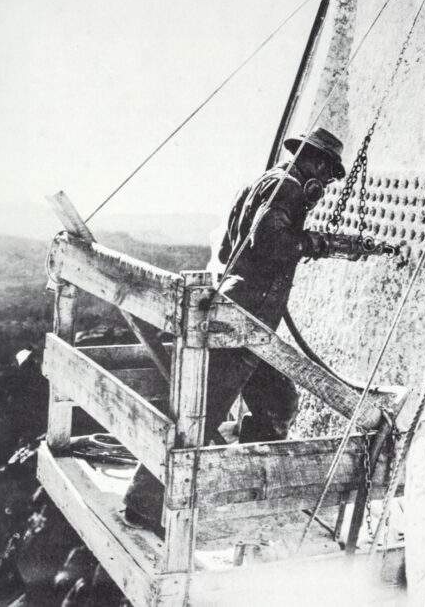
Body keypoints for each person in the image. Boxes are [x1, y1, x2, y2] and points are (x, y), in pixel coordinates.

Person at [123, 127, 398, 532]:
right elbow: (269, 244)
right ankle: (144, 503)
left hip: (245, 316)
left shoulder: (261, 184)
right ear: (314, 162)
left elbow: (227, 250)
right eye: (325, 174)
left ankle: (247, 485)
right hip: (244, 321)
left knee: (277, 402)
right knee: (201, 414)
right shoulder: (287, 188)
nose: (323, 185)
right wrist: (320, 244)